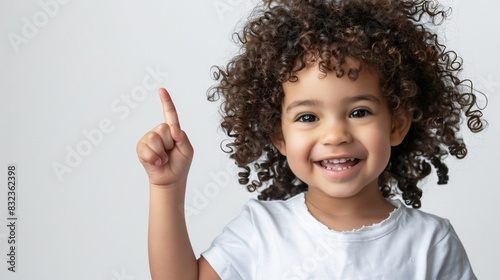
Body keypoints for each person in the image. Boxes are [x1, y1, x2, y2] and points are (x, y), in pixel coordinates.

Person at [136, 0, 485, 279]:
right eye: (307, 117)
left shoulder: (431, 243)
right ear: (280, 136)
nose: (335, 135)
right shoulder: (262, 232)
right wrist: (167, 188)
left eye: (359, 112)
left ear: (397, 124)